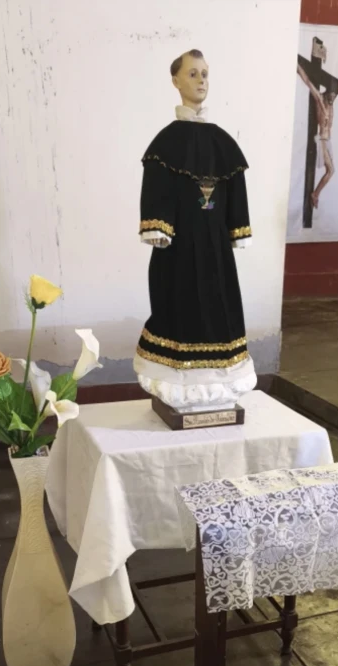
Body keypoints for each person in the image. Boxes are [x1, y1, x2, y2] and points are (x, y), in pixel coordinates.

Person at [134, 50, 257, 413]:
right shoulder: (165, 143)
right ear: (176, 81)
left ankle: (218, 388)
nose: (201, 80)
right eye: (192, 74)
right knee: (178, 305)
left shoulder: (223, 142)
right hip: (179, 248)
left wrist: (238, 228)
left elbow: (236, 186)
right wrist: (157, 225)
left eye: (205, 73)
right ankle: (178, 386)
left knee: (220, 306)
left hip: (216, 249)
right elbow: (156, 188)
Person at [297, 63, 337, 209]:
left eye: (335, 95)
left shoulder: (331, 103)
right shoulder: (320, 99)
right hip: (321, 140)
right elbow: (307, 81)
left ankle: (316, 194)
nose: (333, 98)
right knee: (331, 171)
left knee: (331, 171)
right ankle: (315, 195)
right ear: (327, 92)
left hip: (328, 141)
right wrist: (298, 67)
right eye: (331, 95)